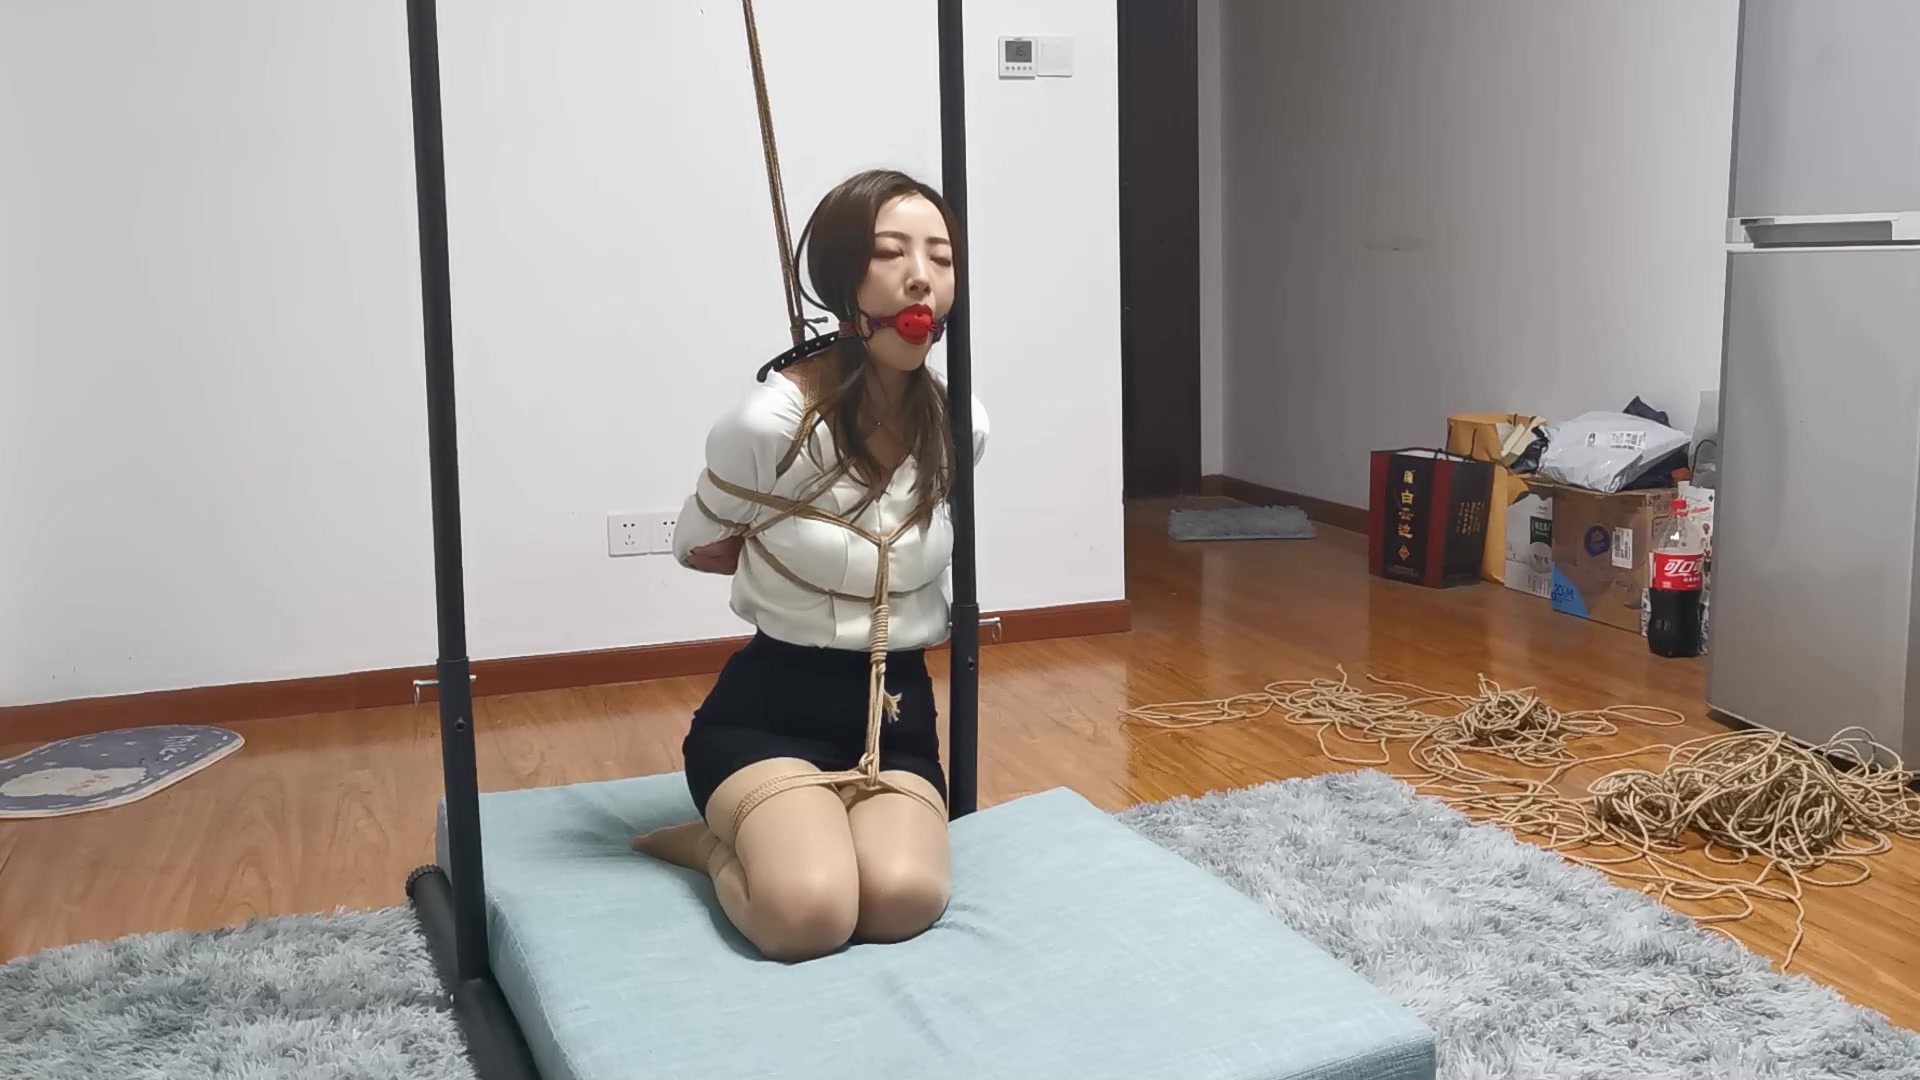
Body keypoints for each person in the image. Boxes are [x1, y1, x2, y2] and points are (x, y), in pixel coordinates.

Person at [632, 169, 988, 963]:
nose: (921, 277)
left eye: (941, 257)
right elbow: (696, 542)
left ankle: (808, 837)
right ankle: (710, 845)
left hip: (895, 719)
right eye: (890, 253)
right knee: (808, 917)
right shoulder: (771, 423)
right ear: (840, 275)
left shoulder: (960, 422)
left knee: (903, 900)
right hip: (769, 717)